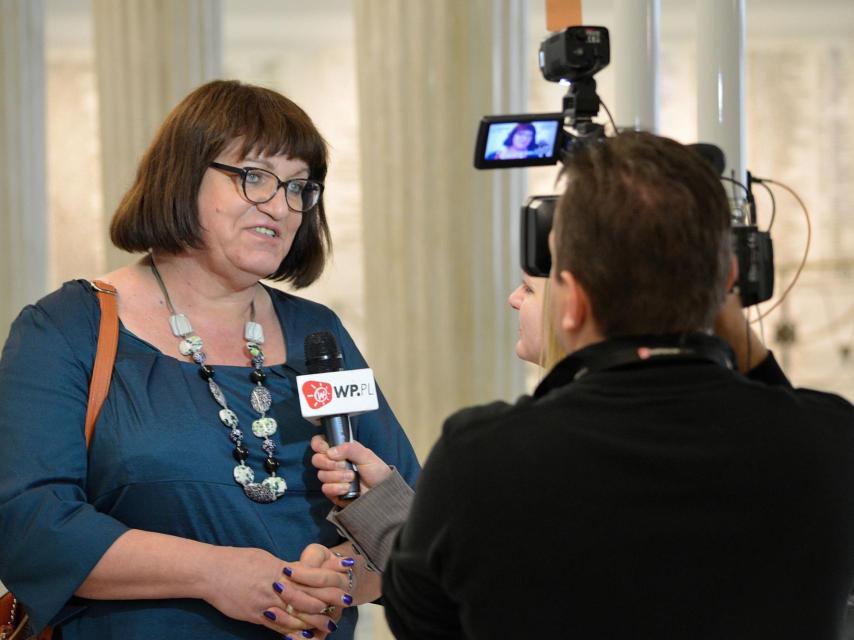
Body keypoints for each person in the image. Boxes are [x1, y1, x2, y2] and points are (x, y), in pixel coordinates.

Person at [378, 132, 854, 639]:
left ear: (574, 301)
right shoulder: (831, 441)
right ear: (730, 278)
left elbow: (419, 621)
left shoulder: (479, 457)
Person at [0, 79, 419, 640]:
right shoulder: (68, 327)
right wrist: (216, 574)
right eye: (255, 177)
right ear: (183, 175)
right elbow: (30, 523)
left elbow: (409, 531)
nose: (281, 205)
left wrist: (334, 580)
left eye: (300, 187)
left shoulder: (317, 333)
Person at [311, 271, 567, 572]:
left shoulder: (515, 440)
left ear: (574, 303)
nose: (513, 298)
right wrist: (376, 501)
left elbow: (463, 584)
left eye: (530, 289)